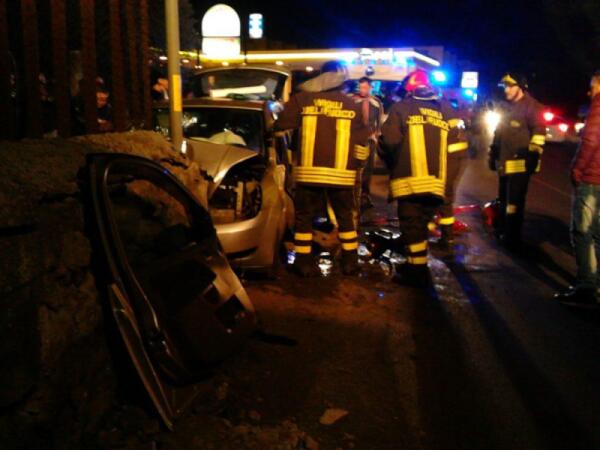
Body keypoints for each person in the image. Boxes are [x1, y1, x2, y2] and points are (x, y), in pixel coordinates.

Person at [274, 61, 369, 277]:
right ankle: (350, 263)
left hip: (309, 173)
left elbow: (280, 126)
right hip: (342, 175)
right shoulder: (352, 105)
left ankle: (303, 263)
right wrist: (357, 167)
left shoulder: (302, 99)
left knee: (304, 218)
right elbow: (362, 144)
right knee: (345, 218)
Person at [380, 70, 468, 287]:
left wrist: (393, 163)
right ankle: (414, 265)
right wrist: (447, 180)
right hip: (436, 183)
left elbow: (389, 142)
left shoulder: (401, 108)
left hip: (409, 182)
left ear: (410, 89)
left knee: (412, 227)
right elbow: (456, 148)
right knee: (421, 226)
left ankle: (417, 272)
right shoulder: (445, 110)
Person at [555, 71, 600, 305]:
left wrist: (577, 169)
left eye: (593, 86)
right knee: (598, 233)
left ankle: (587, 288)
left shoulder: (599, 105)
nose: (590, 92)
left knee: (583, 232)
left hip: (593, 178)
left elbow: (591, 139)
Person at [489, 72, 546, 249]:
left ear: (520, 87)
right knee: (503, 200)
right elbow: (499, 133)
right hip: (504, 163)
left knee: (514, 203)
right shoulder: (507, 106)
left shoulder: (532, 107)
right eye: (504, 86)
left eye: (509, 86)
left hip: (520, 165)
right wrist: (493, 153)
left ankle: (512, 238)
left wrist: (533, 156)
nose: (506, 90)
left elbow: (539, 133)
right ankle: (502, 230)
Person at [353, 77, 384, 209]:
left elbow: (379, 122)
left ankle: (365, 194)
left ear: (370, 88)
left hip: (370, 140)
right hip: (355, 139)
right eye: (360, 87)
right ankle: (353, 194)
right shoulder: (352, 101)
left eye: (365, 87)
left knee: (368, 168)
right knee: (355, 167)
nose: (362, 90)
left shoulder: (376, 103)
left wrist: (376, 134)